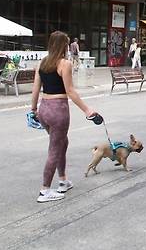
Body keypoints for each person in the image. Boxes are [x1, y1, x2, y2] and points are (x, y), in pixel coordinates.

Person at [31, 31, 96, 203]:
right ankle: (45, 190)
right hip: (58, 110)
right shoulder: (64, 64)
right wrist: (87, 109)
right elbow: (71, 92)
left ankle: (63, 180)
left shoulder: (42, 63)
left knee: (62, 143)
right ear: (63, 46)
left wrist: (33, 110)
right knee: (54, 149)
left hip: (43, 109)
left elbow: (36, 89)